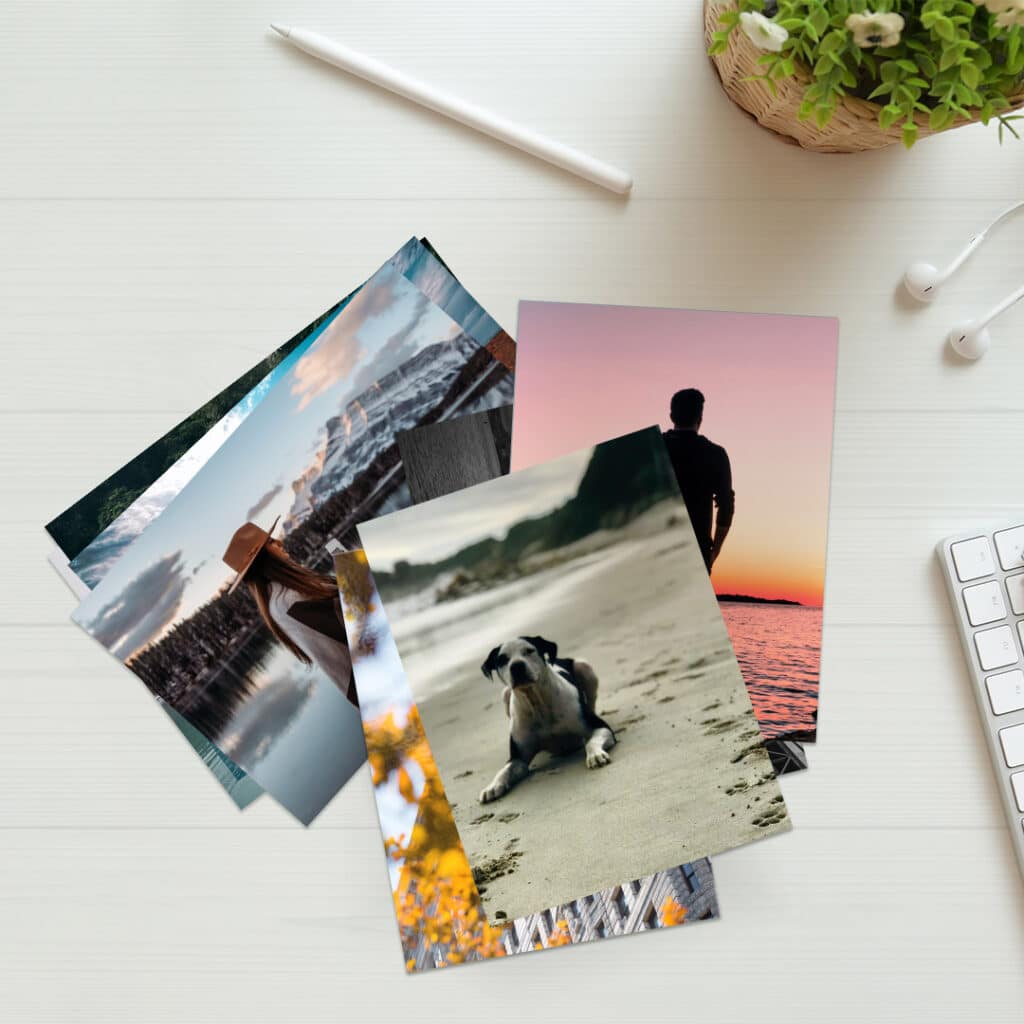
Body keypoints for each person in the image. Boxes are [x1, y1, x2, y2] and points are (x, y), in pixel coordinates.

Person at [222, 519, 357, 706]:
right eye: (270, 542)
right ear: (262, 559)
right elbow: (354, 622)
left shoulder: (281, 598)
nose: (279, 542)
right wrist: (355, 568)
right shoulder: (288, 600)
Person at [662, 388, 735, 573]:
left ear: (672, 416)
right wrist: (715, 550)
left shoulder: (653, 447)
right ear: (700, 417)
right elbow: (726, 507)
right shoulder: (715, 454)